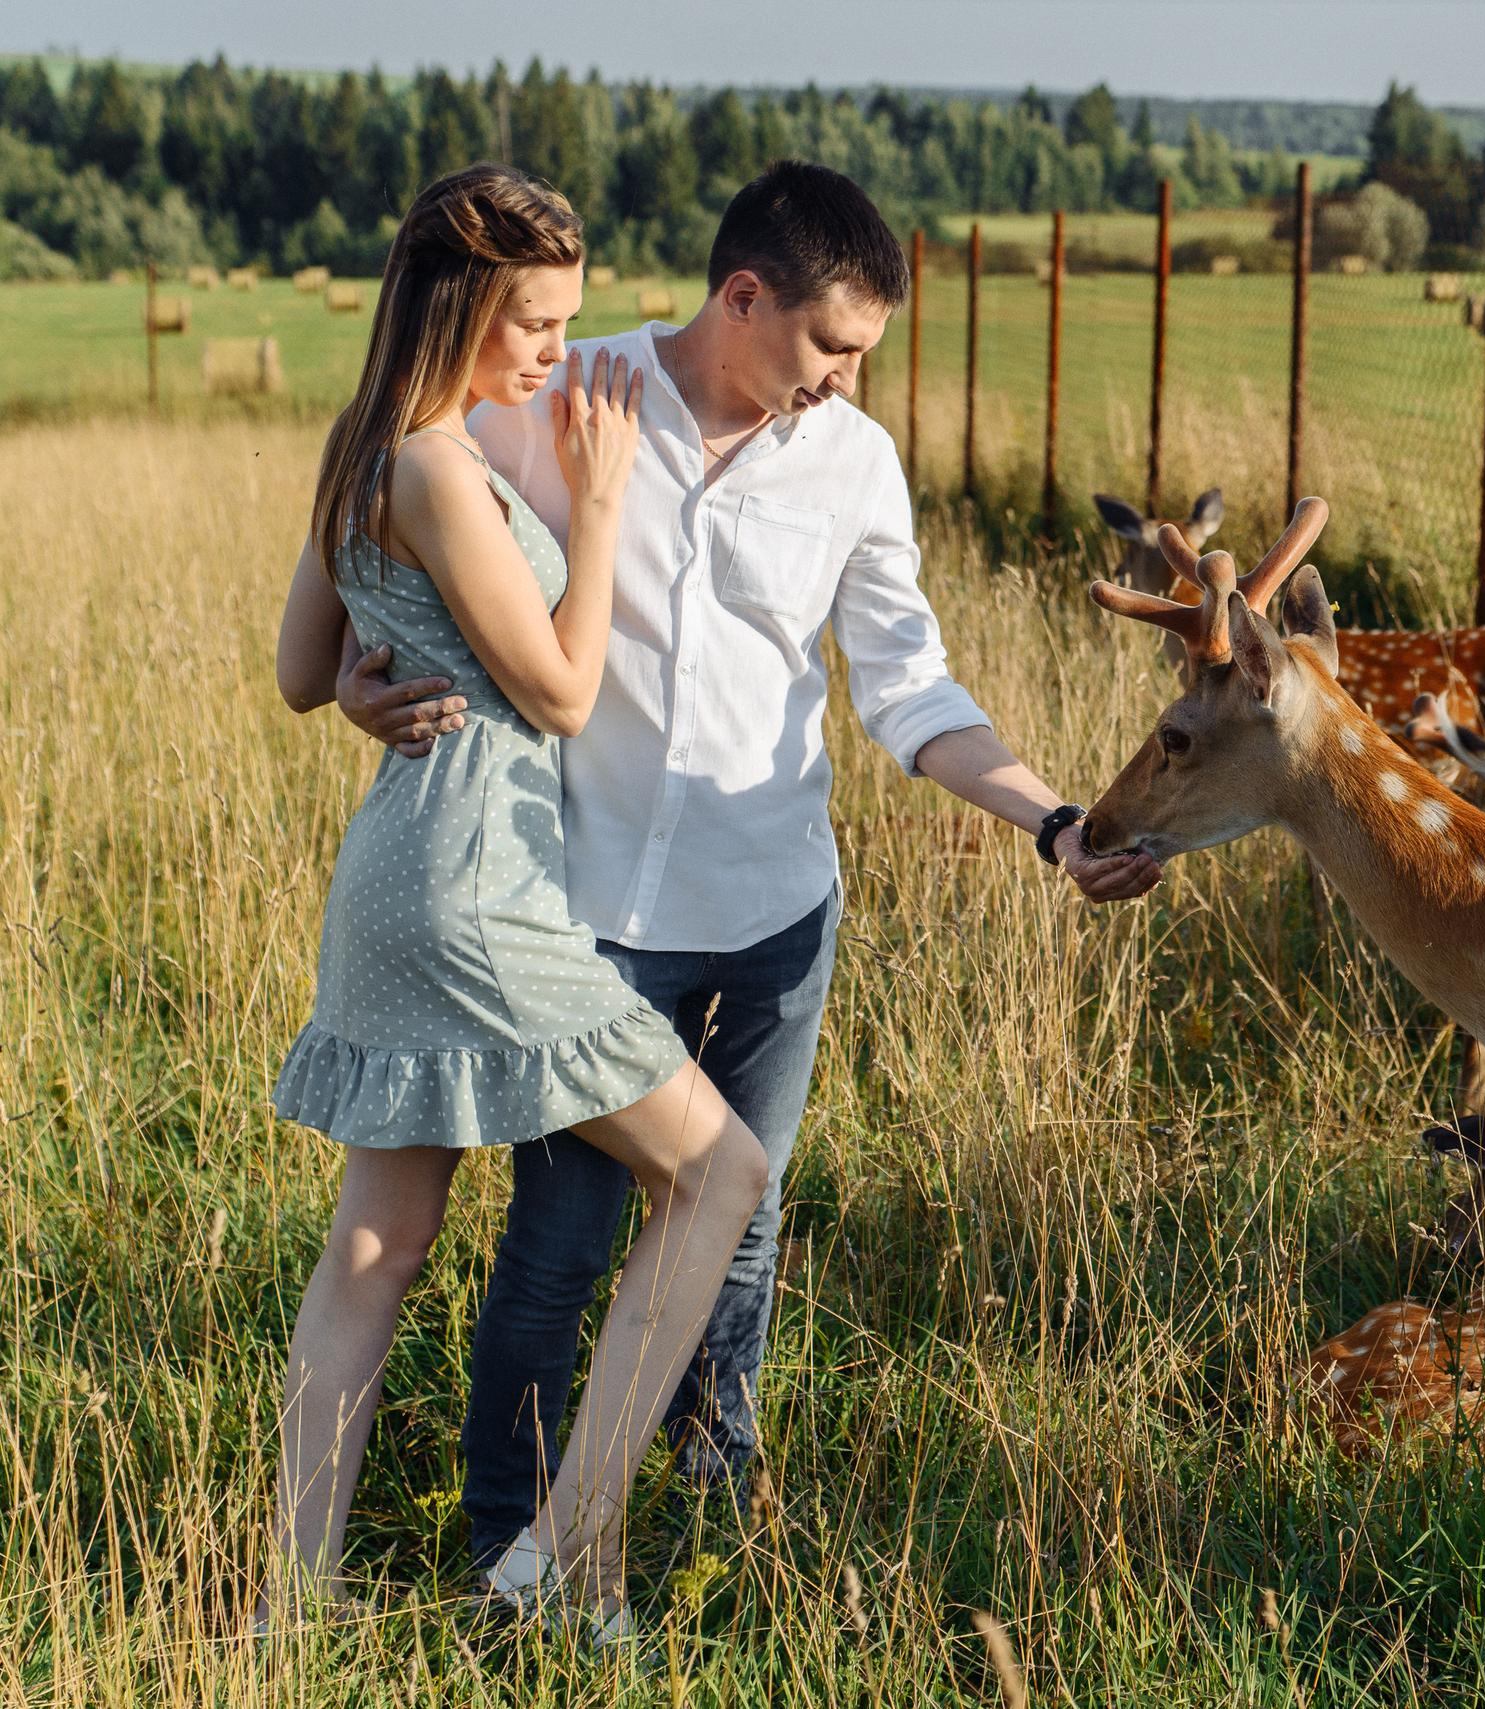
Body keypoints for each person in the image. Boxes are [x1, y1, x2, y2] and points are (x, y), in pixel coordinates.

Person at [329, 159, 1162, 1572]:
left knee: (742, 1218)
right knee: (561, 1243)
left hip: (774, 911)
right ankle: (504, 1545)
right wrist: (364, 679)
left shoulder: (853, 463)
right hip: (582, 914)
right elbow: (397, 502)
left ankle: (705, 1519)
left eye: (865, 355)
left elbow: (911, 693)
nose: (847, 378)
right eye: (832, 344)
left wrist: (1055, 820)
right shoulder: (556, 394)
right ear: (743, 295)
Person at [267, 163, 767, 1641]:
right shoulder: (430, 461)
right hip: (477, 885)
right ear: (462, 304)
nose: (557, 348)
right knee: (723, 1173)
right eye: (534, 320)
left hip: (393, 874)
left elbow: (304, 673)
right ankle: (570, 1553)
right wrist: (601, 509)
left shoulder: (362, 447)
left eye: (565, 317)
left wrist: (369, 680)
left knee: (377, 1244)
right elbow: (555, 689)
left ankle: (289, 1604)